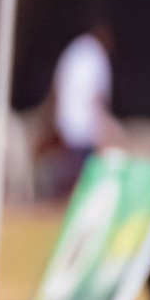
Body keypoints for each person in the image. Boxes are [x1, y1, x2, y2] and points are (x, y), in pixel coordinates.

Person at [49, 18, 117, 195]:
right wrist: (102, 130)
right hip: (86, 127)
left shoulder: (73, 51)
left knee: (74, 174)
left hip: (67, 124)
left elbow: (57, 87)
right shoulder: (96, 55)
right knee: (86, 179)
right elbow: (97, 96)